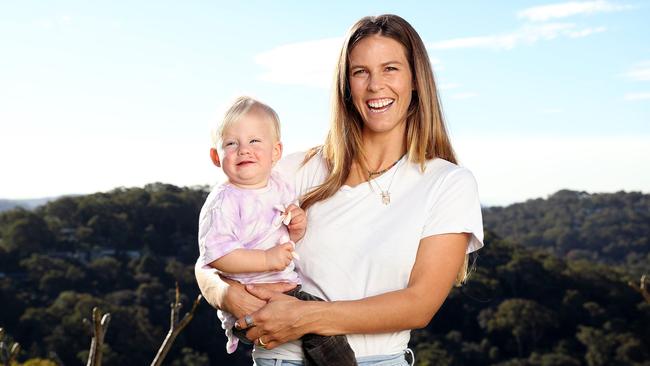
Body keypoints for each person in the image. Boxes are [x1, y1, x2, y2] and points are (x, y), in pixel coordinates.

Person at [195, 14, 484, 366]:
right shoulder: (293, 171)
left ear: (416, 80)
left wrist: (304, 318)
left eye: (390, 68)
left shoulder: (448, 183)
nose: (375, 85)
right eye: (360, 72)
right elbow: (209, 258)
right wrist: (229, 296)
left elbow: (420, 305)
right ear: (346, 85)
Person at [197, 96, 356, 365]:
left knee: (321, 324)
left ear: (276, 152)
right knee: (322, 327)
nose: (244, 150)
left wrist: (296, 225)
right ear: (216, 156)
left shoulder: (279, 186)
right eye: (231, 143)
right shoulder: (223, 201)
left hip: (284, 290)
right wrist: (267, 260)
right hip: (250, 298)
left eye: (255, 141)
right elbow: (217, 257)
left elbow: (283, 235)